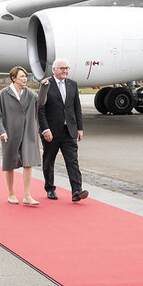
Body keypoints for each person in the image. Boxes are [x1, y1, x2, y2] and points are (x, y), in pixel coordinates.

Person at [37, 58, 88, 202]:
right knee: (49, 160)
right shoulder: (46, 85)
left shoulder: (73, 84)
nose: (65, 71)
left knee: (72, 161)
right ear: (54, 70)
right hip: (51, 132)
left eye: (67, 68)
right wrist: (45, 129)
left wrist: (80, 127)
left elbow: (76, 107)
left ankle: (77, 191)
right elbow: (40, 109)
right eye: (62, 68)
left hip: (69, 131)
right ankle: (50, 188)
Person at [0, 66, 42, 206]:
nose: (25, 78)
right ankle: (11, 193)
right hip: (10, 134)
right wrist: (1, 131)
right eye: (22, 76)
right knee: (10, 164)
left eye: (26, 76)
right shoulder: (4, 94)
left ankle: (27, 195)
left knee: (28, 163)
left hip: (27, 132)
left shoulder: (29, 94)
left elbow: (41, 102)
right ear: (13, 78)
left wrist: (44, 87)